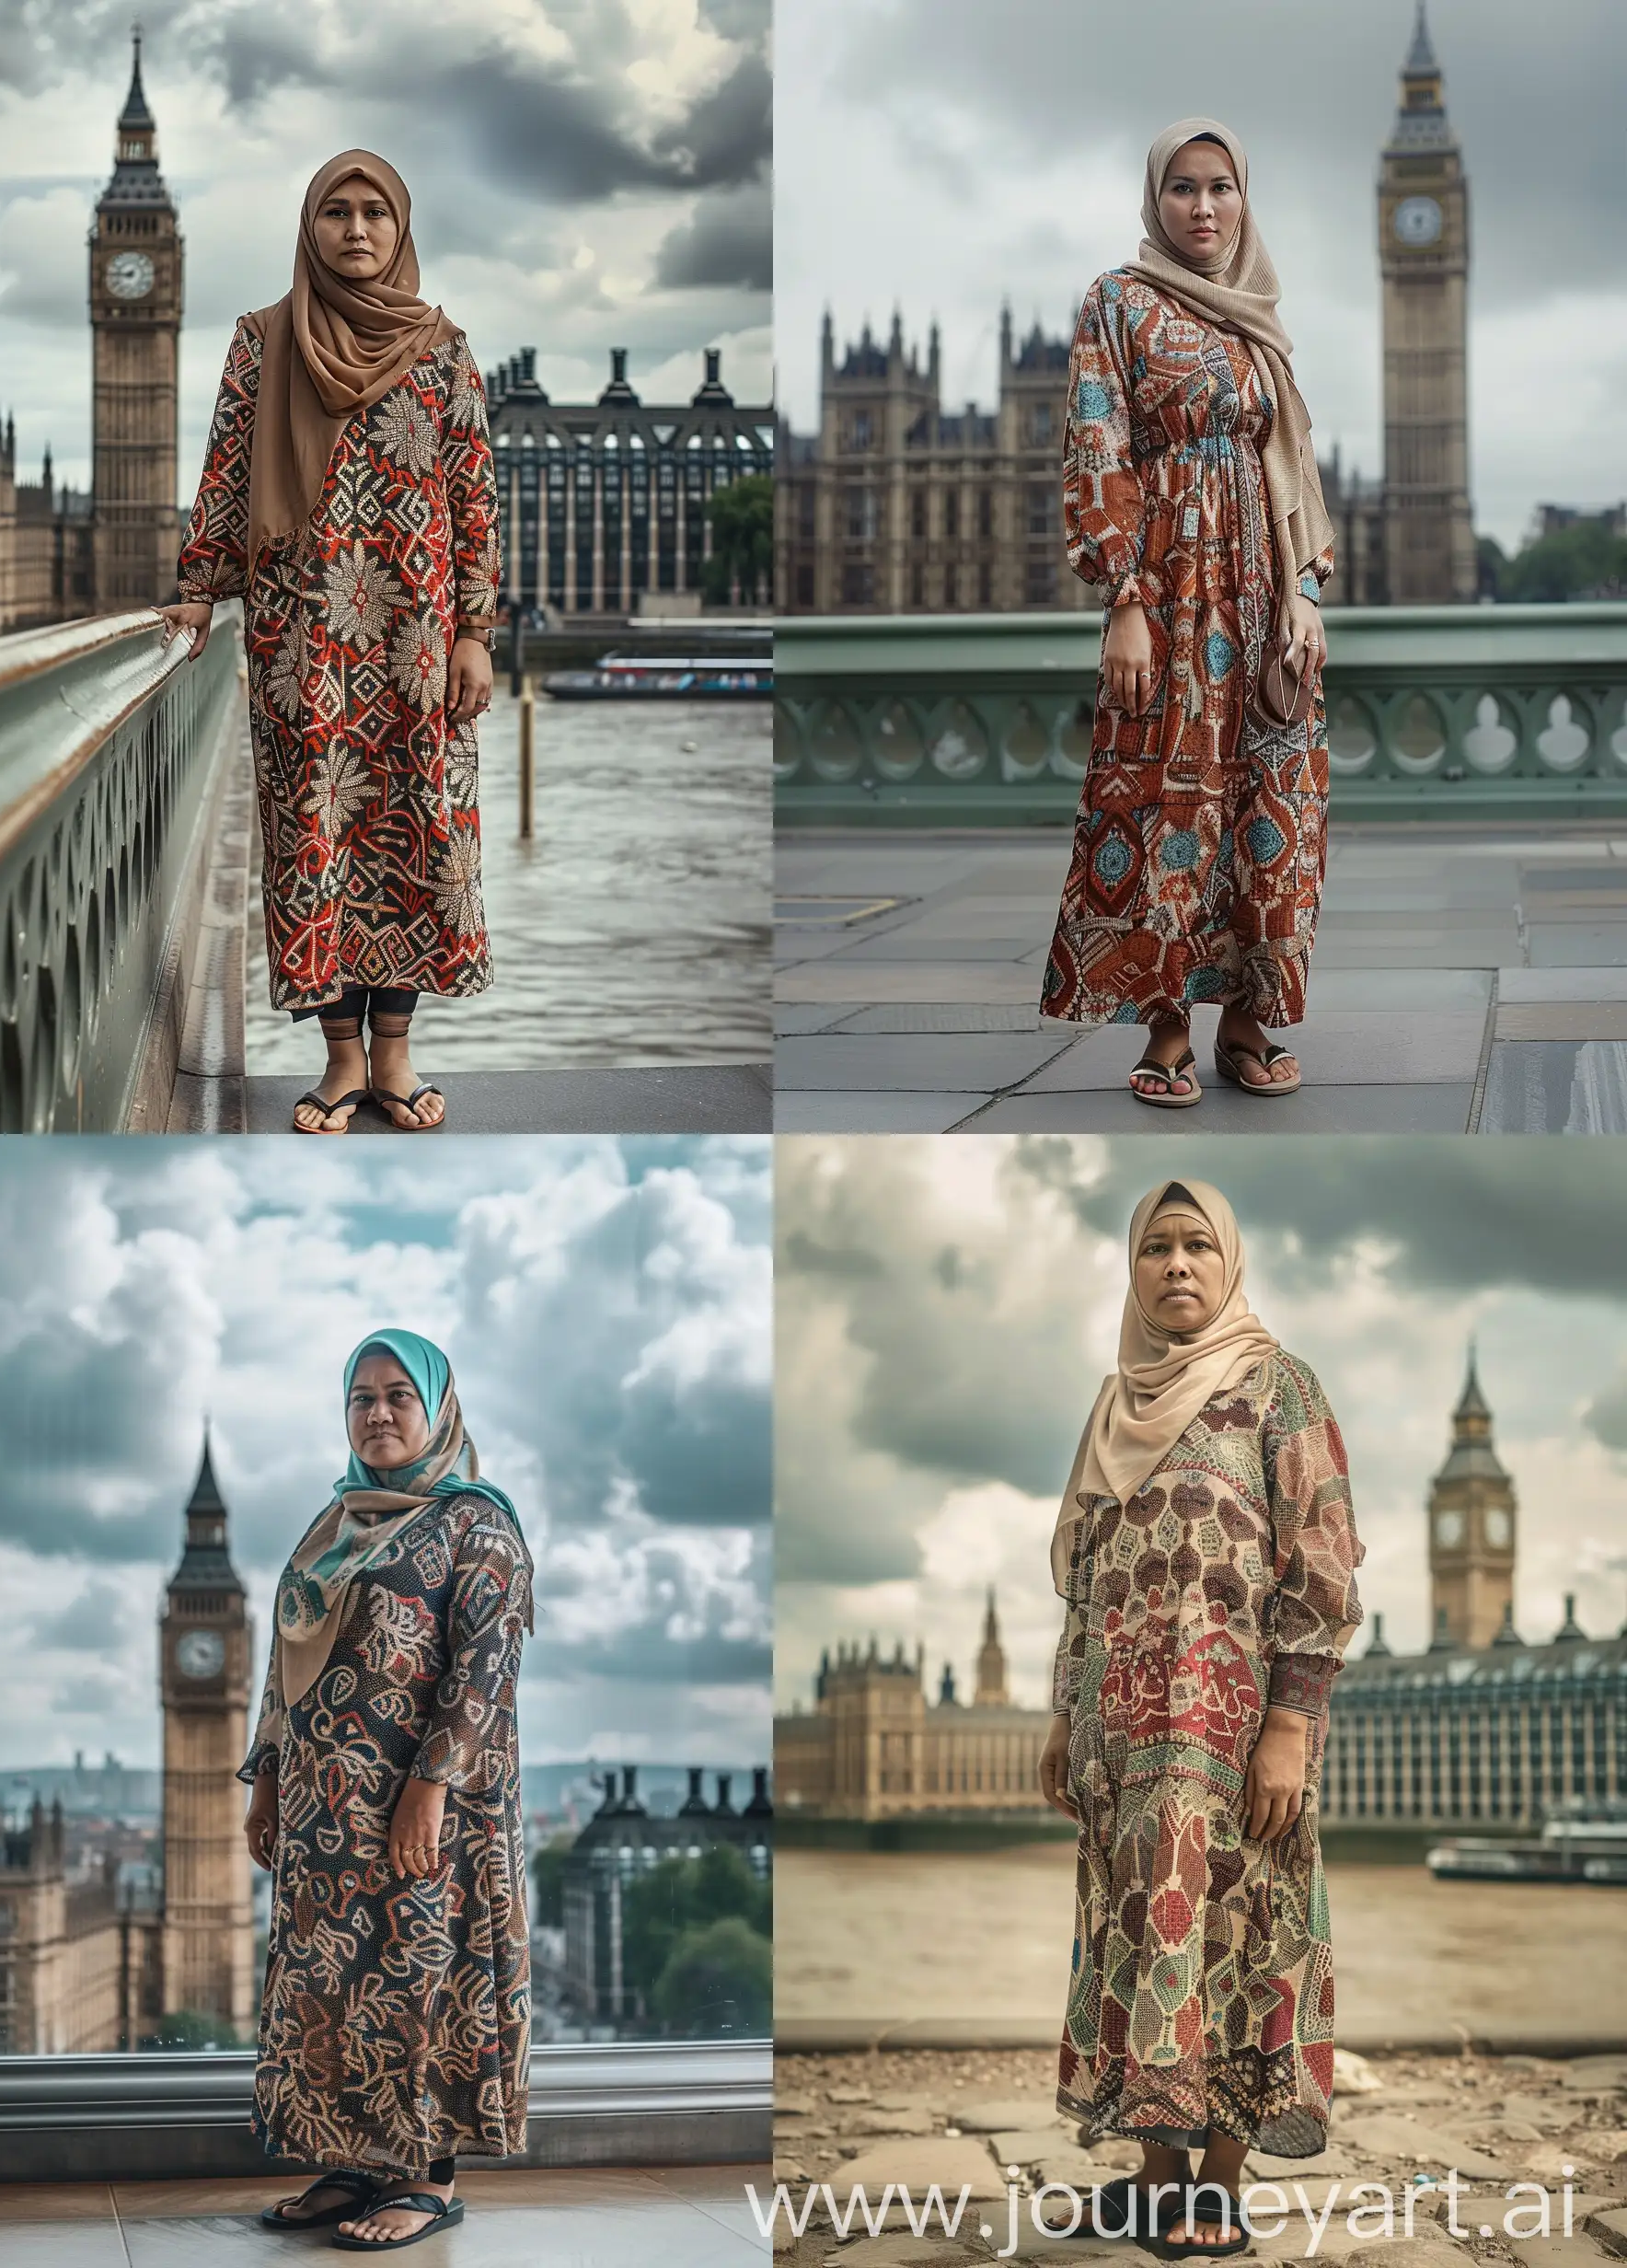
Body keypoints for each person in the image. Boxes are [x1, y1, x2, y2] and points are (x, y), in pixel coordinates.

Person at [1038, 1180, 1364, 2256]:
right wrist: (1060, 1717)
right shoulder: (1111, 1402)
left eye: (1195, 1247)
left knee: (1236, 1936)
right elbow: (1083, 1581)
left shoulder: (1279, 1386)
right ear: (1131, 1271)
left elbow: (1319, 1563)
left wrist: (1289, 1726)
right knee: (1131, 1936)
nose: (1175, 1266)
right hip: (1119, 1742)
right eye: (1154, 1249)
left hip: (1228, 1740)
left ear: (1229, 1263)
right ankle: (1150, 2174)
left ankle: (1214, 2186)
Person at [159, 153, 501, 1136]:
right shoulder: (263, 342)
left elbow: (473, 499)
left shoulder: (443, 350)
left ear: (400, 230)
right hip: (300, 641)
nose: (357, 231)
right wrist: (195, 592)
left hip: (415, 645)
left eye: (375, 214)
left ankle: (395, 1057)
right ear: (311, 228)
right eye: (337, 213)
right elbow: (227, 473)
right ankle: (341, 1062)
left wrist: (474, 633)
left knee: (417, 836)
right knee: (317, 843)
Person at [1040, 121, 1335, 1110]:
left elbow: (1287, 463)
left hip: (1264, 596)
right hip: (1166, 591)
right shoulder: (1115, 302)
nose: (1202, 207)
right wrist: (1120, 597)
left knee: (1270, 808)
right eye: (1180, 188)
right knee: (1164, 801)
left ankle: (1246, 1021)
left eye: (1219, 188)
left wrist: (1304, 591)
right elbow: (1095, 446)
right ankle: (1166, 1022)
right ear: (1152, 201)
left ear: (1242, 199)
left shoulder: (1258, 314)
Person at [242, 1330, 534, 2251]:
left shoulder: (475, 1525)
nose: (375, 1412)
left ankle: (426, 2176)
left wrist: (429, 1787)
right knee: (334, 1980)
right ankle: (357, 2157)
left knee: (421, 1976)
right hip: (321, 1811)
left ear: (436, 1408)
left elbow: (485, 1669)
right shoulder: (332, 1528)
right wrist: (268, 1779)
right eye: (359, 1397)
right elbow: (285, 1662)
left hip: (426, 1807)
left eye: (397, 1395)